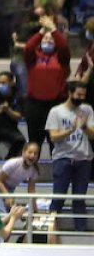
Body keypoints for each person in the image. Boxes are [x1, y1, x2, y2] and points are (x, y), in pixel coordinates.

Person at [45, 82, 94, 232]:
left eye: (83, 95)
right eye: (78, 95)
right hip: (63, 159)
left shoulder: (87, 109)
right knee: (58, 197)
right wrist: (70, 130)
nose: (81, 98)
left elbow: (93, 134)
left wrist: (84, 127)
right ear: (70, 93)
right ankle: (50, 231)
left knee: (79, 199)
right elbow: (53, 137)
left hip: (84, 159)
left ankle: (81, 231)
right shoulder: (56, 111)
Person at [24, 15, 70, 147]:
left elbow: (64, 47)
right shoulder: (33, 58)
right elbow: (28, 47)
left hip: (55, 104)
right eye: (45, 38)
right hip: (34, 105)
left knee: (55, 143)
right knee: (34, 143)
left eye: (51, 39)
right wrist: (41, 32)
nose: (48, 40)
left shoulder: (62, 59)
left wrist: (54, 30)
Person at [0, 142, 41, 209]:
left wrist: (35, 209)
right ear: (23, 152)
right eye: (30, 152)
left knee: (10, 210)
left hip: (10, 188)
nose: (32, 156)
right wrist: (7, 196)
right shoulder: (14, 163)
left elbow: (31, 191)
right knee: (1, 211)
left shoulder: (34, 171)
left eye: (35, 153)